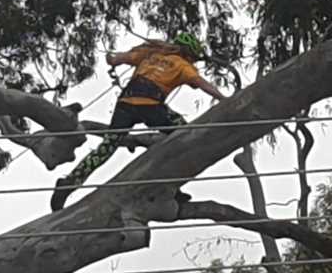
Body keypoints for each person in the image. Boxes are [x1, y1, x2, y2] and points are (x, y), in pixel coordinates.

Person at [50, 33, 227, 211]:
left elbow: (115, 59)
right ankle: (167, 188)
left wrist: (112, 59)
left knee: (107, 147)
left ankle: (69, 183)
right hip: (150, 105)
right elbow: (204, 85)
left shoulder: (150, 54)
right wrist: (223, 98)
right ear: (190, 55)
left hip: (125, 104)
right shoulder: (183, 65)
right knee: (186, 137)